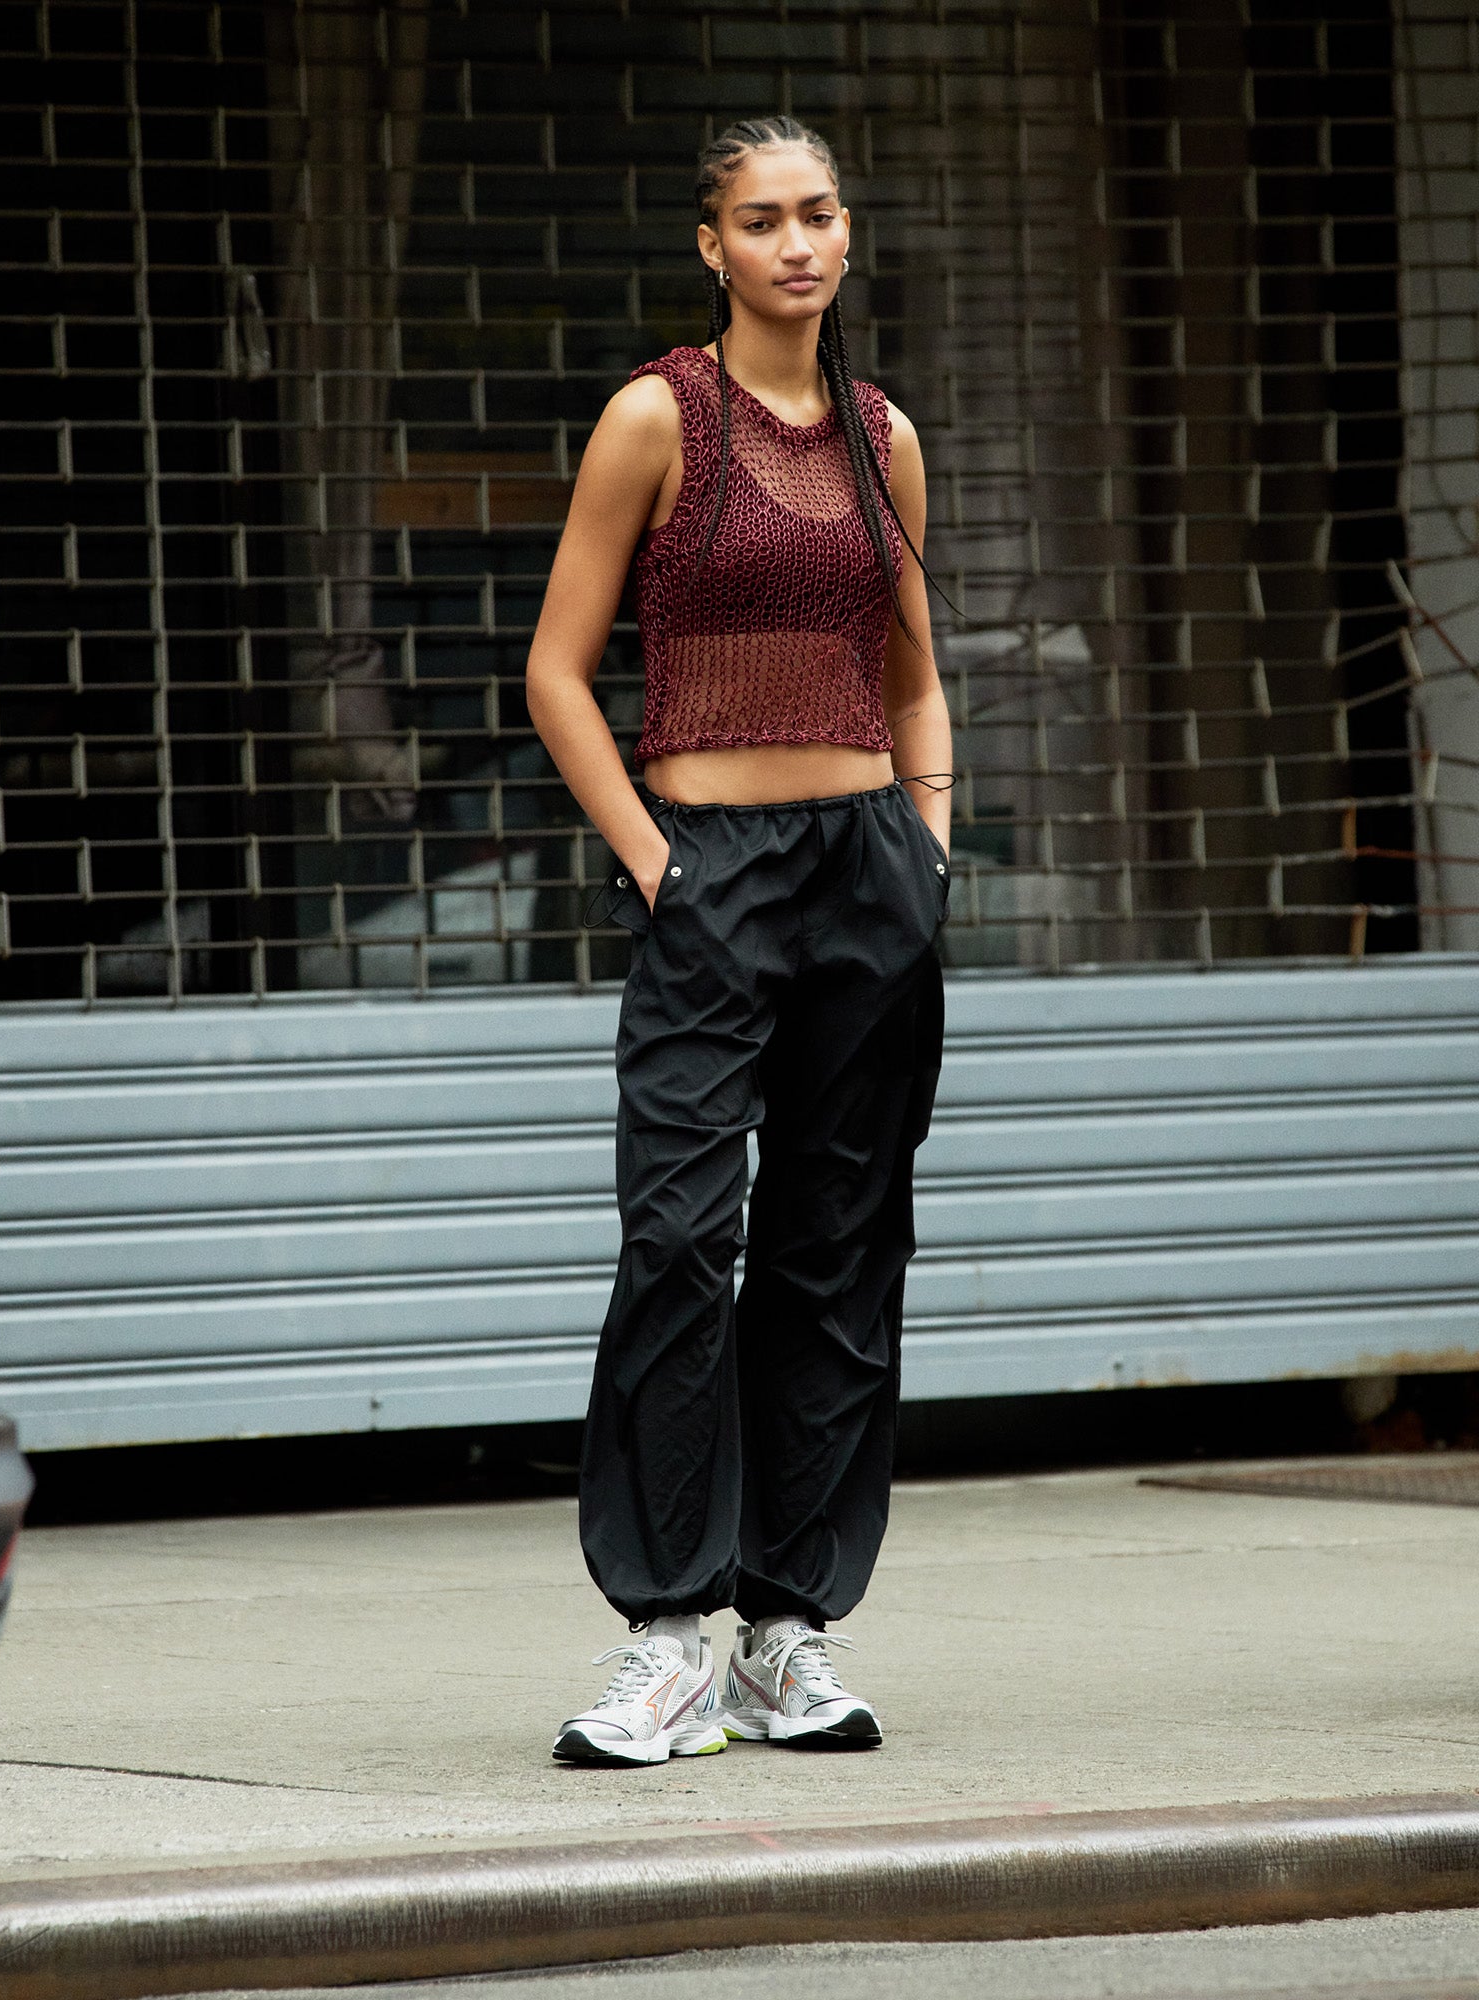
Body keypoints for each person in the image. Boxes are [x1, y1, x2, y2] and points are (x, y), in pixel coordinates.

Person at [526, 115, 953, 1767]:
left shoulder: (882, 435)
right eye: (762, 219)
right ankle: (663, 1638)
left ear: (848, 234)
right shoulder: (659, 417)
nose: (796, 243)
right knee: (680, 1241)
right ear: (712, 245)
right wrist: (657, 864)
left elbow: (914, 670)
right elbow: (557, 671)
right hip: (708, 872)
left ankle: (787, 1635)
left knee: (839, 1253)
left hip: (865, 872)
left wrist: (925, 845)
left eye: (819, 214)